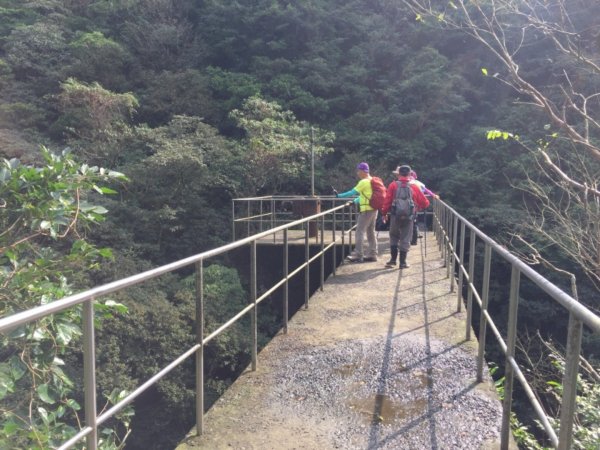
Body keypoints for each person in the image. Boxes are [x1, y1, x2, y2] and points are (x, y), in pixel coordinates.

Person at [381, 165, 430, 269]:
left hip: (395, 215)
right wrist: (417, 208)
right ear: (410, 174)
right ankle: (403, 263)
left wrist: (384, 213)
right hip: (409, 216)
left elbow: (387, 201)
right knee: (406, 237)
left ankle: (393, 260)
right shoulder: (414, 186)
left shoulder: (393, 185)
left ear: (398, 174)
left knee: (394, 235)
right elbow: (425, 203)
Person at [334, 162, 378, 262]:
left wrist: (339, 196)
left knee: (359, 231)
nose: (357, 173)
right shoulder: (372, 180)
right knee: (371, 232)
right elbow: (365, 196)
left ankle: (358, 254)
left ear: (363, 171)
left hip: (366, 210)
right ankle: (372, 254)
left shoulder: (363, 182)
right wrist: (354, 201)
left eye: (359, 170)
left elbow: (351, 192)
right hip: (374, 209)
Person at [408, 169, 438, 245]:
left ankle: (404, 237)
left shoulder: (401, 182)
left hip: (401, 206)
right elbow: (427, 191)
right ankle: (414, 239)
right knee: (414, 221)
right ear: (415, 176)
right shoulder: (418, 183)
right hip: (414, 206)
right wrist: (433, 195)